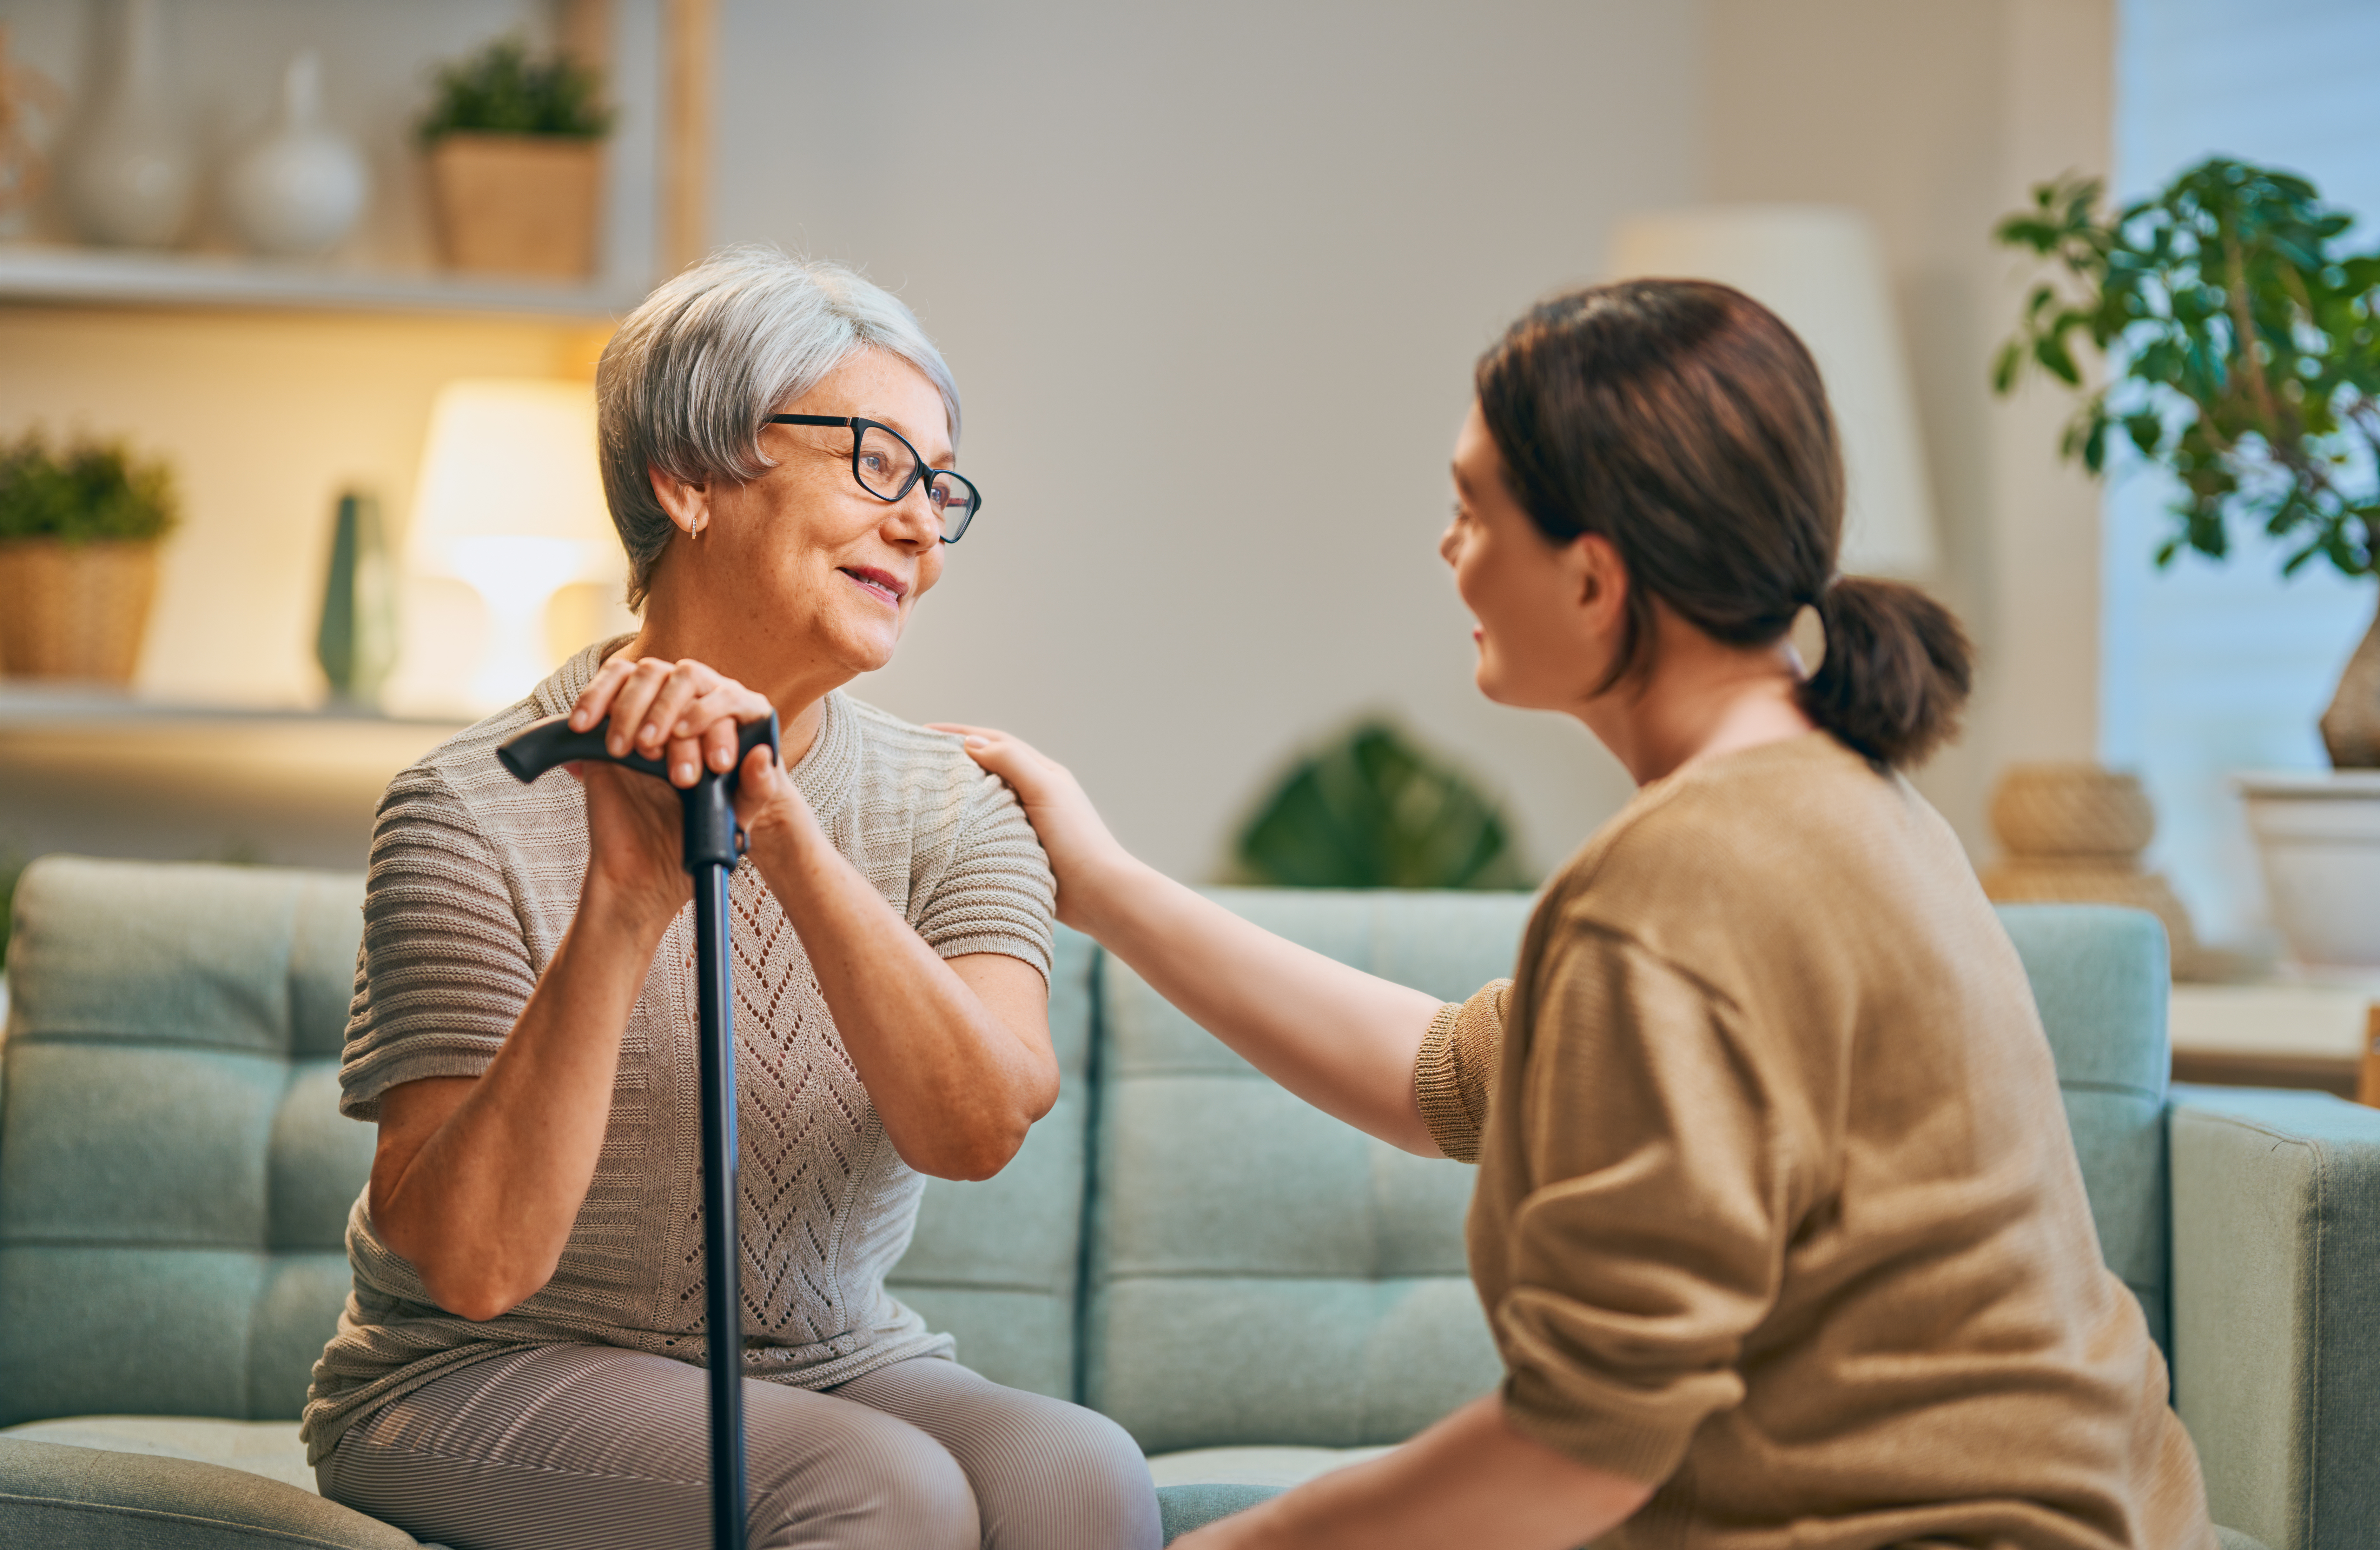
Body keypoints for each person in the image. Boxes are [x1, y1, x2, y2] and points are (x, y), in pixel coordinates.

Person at [939, 280, 2217, 1549]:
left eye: (1469, 510)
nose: (1449, 550)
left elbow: (1578, 1451)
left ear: (1596, 580)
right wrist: (1102, 884)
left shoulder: (1686, 880)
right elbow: (1443, 1074)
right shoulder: (1846, 804)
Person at [300, 247, 1160, 1550]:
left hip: (830, 1359)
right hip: (478, 1374)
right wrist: (625, 901)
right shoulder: (466, 806)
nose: (923, 525)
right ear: (688, 477)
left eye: (940, 487)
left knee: (1084, 1476)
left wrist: (786, 832)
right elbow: (474, 1269)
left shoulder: (953, 804)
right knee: (882, 1489)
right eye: (877, 462)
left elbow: (977, 1125)